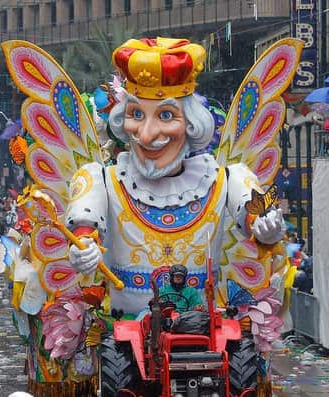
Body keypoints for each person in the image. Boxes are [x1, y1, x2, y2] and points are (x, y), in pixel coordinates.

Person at [66, 37, 286, 315]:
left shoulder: (226, 179)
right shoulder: (102, 180)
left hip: (200, 333)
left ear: (192, 124)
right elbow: (84, 231)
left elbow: (256, 214)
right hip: (124, 339)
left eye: (166, 115)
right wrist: (83, 249)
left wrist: (267, 228)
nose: (146, 134)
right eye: (136, 114)